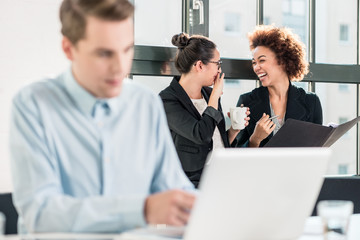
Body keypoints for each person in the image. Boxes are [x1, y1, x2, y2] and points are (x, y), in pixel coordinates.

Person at [9, 0, 195, 233]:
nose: (120, 67)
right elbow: (41, 213)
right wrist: (142, 209)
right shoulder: (34, 105)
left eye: (127, 49)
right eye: (104, 54)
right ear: (69, 49)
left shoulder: (145, 104)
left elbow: (173, 187)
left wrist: (212, 208)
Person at [159, 33, 249, 187]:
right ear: (200, 65)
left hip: (222, 175)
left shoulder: (209, 94)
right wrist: (214, 97)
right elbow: (201, 135)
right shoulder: (167, 100)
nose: (219, 71)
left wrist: (234, 130)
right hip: (191, 183)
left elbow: (216, 142)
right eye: (217, 64)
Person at [236, 25, 323, 147]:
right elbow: (237, 154)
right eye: (254, 63)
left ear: (282, 61)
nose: (256, 67)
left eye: (261, 60)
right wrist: (255, 139)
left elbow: (317, 148)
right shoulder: (246, 101)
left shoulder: (311, 102)